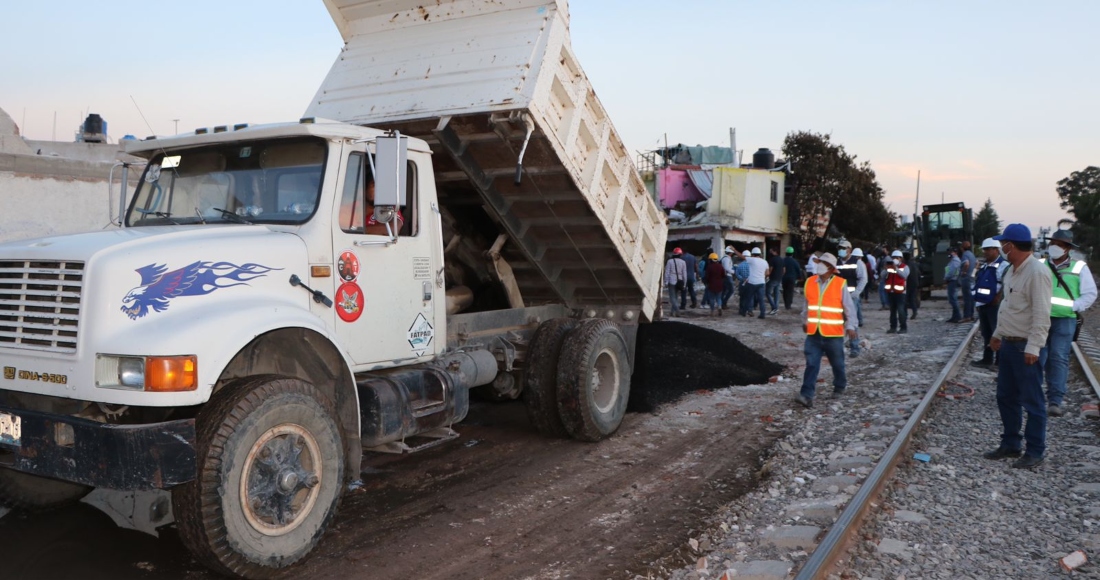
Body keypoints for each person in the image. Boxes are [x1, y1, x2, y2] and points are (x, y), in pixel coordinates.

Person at [985, 223, 1052, 469]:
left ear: (1010, 246)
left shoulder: (1036, 272)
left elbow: (1042, 314)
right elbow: (1008, 308)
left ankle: (1035, 451)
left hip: (1026, 347)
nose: (1001, 247)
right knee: (1006, 396)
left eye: (1003, 244)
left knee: (1032, 400)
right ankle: (1011, 444)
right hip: (1009, 345)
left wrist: (1034, 347)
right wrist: (997, 334)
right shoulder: (1012, 271)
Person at [1041, 229, 1097, 417]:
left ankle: (1055, 400)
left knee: (1058, 357)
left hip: (1065, 320)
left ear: (1068, 248)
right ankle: (1031, 395)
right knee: (1039, 356)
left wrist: (1075, 306)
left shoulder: (1079, 267)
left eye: (1060, 244)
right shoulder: (1040, 264)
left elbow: (1090, 293)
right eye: (1053, 243)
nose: (1055, 247)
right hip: (1040, 319)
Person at [795, 252, 858, 408]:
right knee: (811, 364)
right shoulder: (810, 282)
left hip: (833, 333)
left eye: (824, 263)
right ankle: (806, 395)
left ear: (831, 268)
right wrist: (805, 321)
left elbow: (849, 307)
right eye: (819, 262)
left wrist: (851, 326)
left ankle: (839, 386)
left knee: (837, 363)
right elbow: (807, 305)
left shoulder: (839, 283)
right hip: (813, 333)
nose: (820, 265)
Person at [972, 237, 1008, 368]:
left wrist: (998, 298)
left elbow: (1005, 284)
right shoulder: (985, 265)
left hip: (995, 306)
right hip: (983, 304)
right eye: (984, 249)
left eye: (988, 249)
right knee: (986, 333)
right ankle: (987, 359)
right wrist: (978, 302)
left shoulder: (1004, 266)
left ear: (996, 250)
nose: (985, 252)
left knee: (997, 333)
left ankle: (999, 361)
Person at [835, 241, 867, 357]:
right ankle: (836, 347)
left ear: (849, 249)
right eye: (839, 248)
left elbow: (863, 279)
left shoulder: (857, 263)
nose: (841, 250)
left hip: (851, 297)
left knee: (852, 322)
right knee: (837, 322)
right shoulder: (836, 262)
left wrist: (856, 293)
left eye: (843, 248)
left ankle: (855, 347)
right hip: (837, 297)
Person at [884, 250, 909, 334]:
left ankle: (903, 327)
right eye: (893, 257)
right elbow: (882, 276)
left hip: (900, 293)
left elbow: (904, 275)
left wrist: (896, 269)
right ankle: (893, 327)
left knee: (901, 310)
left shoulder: (904, 267)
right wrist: (886, 269)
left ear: (901, 259)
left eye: (897, 258)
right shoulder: (889, 267)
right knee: (892, 311)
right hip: (891, 292)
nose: (895, 259)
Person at [746, 247, 769, 319]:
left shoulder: (752, 260)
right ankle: (762, 314)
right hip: (761, 282)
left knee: (750, 297)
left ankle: (750, 311)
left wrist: (734, 250)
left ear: (752, 254)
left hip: (752, 282)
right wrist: (762, 277)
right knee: (761, 299)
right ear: (760, 254)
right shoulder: (765, 262)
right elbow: (767, 273)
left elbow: (741, 256)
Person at [664, 248, 688, 317]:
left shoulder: (670, 261)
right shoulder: (683, 262)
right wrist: (684, 283)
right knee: (676, 297)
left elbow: (667, 272)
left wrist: (666, 281)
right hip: (680, 281)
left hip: (671, 281)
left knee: (672, 298)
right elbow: (684, 274)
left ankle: (677, 310)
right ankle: (672, 312)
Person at [959, 240, 977, 322]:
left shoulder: (965, 255)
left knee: (966, 298)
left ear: (962, 248)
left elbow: (966, 263)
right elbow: (977, 263)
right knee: (971, 297)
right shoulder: (971, 254)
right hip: (972, 278)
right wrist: (973, 273)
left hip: (966, 278)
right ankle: (971, 315)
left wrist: (964, 272)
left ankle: (967, 316)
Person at [781, 246, 804, 310]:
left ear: (786, 253)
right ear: (792, 253)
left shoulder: (783, 260)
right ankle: (789, 305)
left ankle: (786, 304)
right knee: (790, 291)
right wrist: (800, 277)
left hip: (784, 278)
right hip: (792, 279)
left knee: (785, 291)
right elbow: (798, 270)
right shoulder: (795, 262)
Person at [944, 248, 962, 323]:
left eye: (950, 252)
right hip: (951, 280)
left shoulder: (955, 261)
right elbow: (948, 269)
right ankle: (954, 316)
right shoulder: (952, 261)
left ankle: (957, 316)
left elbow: (951, 272)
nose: (949, 254)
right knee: (952, 299)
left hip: (953, 280)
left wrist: (946, 278)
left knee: (953, 299)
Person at [765, 247, 785, 315]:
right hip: (779, 279)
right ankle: (775, 308)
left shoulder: (772, 259)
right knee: (776, 294)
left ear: (774, 251)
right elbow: (784, 270)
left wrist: (767, 276)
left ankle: (774, 308)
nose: (770, 252)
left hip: (773, 278)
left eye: (771, 251)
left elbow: (770, 269)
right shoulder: (781, 259)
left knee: (768, 292)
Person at [904, 252, 921, 320]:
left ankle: (905, 314)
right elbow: (919, 273)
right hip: (915, 284)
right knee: (912, 299)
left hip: (908, 284)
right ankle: (914, 311)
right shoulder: (915, 264)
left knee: (904, 300)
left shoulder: (905, 265)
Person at [736, 250, 752, 315]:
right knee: (750, 297)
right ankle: (749, 310)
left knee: (742, 297)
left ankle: (742, 310)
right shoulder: (751, 265)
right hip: (750, 283)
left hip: (742, 283)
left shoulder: (740, 265)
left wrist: (742, 279)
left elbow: (737, 274)